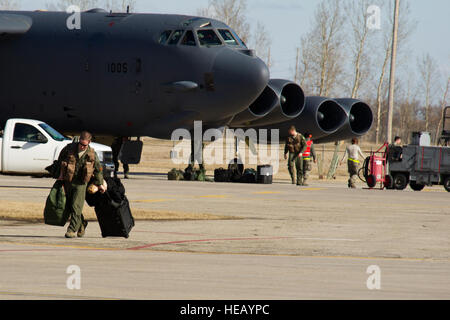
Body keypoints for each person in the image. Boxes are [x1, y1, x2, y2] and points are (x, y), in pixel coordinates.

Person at [58, 131, 105, 238]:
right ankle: (82, 224)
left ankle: (71, 229)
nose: (83, 147)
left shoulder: (92, 153)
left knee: (76, 206)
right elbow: (60, 160)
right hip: (68, 181)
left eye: (85, 145)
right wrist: (59, 175)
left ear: (89, 142)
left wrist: (99, 184)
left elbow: (98, 169)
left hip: (81, 183)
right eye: (81, 144)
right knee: (68, 206)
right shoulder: (69, 148)